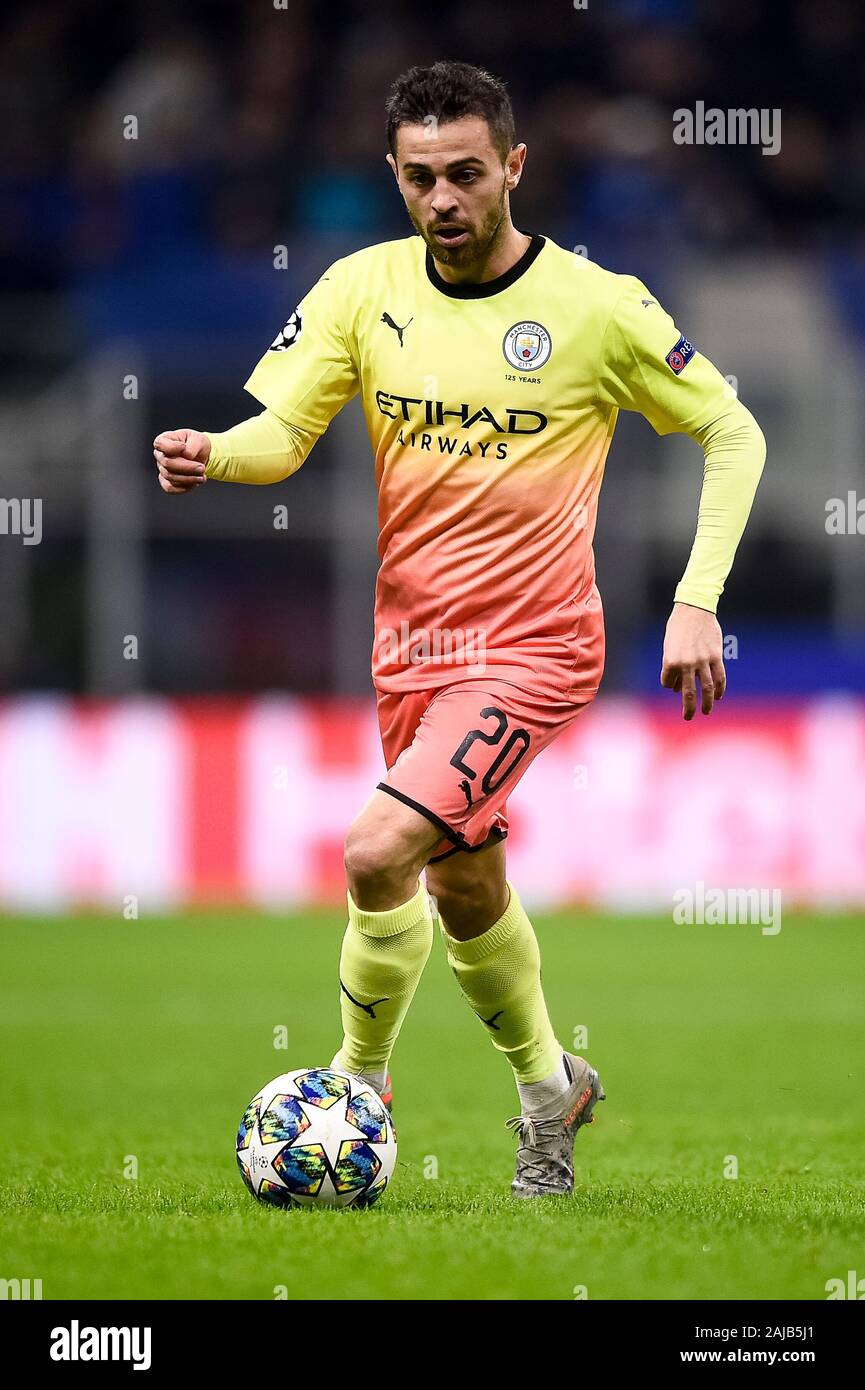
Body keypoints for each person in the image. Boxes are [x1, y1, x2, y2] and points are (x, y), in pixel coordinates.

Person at [153, 60, 766, 1198]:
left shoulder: (598, 305)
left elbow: (733, 433)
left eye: (467, 174)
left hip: (535, 648)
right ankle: (549, 1087)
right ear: (394, 175)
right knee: (461, 884)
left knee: (375, 849)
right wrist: (215, 455)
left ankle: (353, 1088)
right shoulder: (357, 288)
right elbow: (278, 433)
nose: (444, 198)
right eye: (421, 176)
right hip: (410, 652)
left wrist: (697, 597)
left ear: (513, 168)